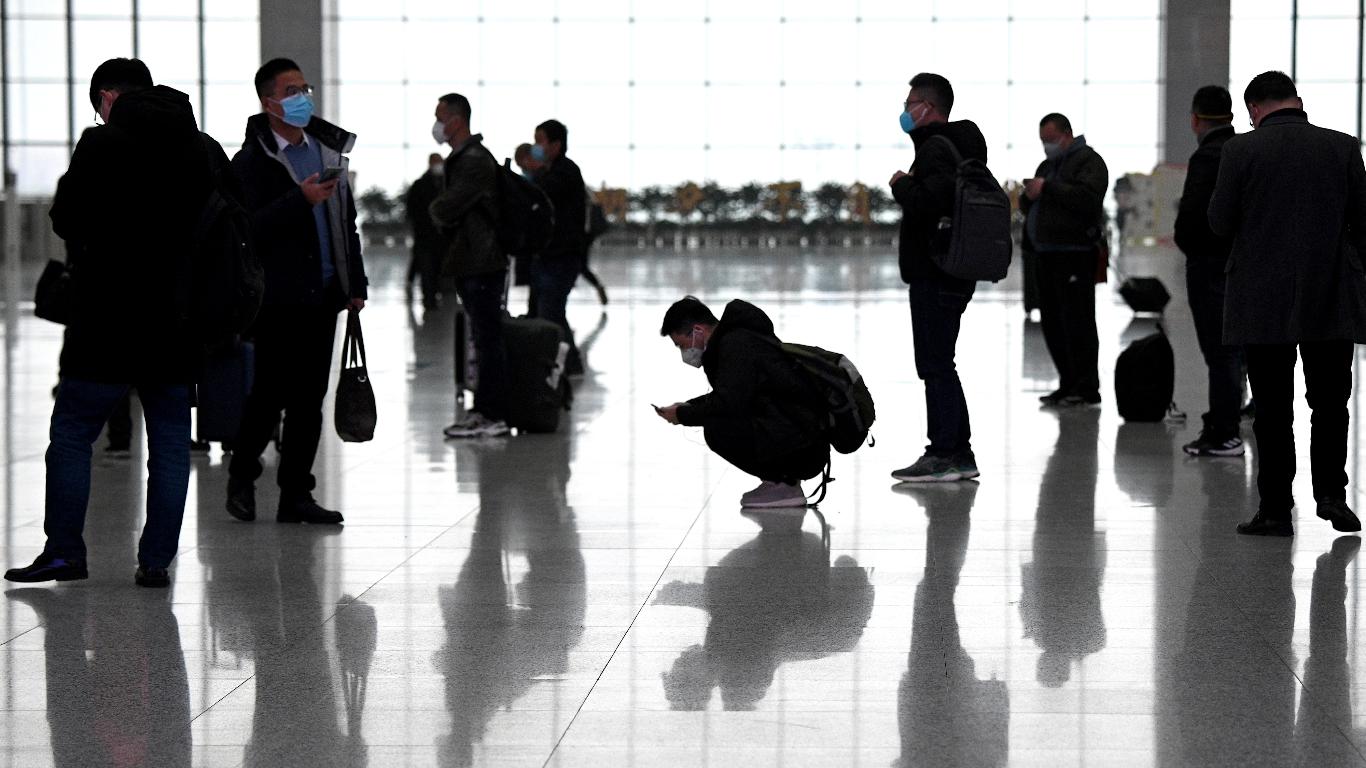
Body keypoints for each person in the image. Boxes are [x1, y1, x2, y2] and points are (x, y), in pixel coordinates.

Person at [4, 58, 228, 587]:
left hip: (104, 316)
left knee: (73, 432)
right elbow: (227, 228)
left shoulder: (100, 145)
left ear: (107, 97)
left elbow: (65, 218)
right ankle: (154, 563)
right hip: (176, 320)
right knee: (171, 440)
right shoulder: (202, 148)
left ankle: (64, 553)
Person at [1209, 70, 1366, 537]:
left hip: (1262, 297)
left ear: (1254, 109)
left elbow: (1219, 222)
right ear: (1297, 101)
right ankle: (1332, 495)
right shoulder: (1343, 147)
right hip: (1331, 292)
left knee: (1273, 409)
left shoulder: (1240, 150)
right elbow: (1363, 222)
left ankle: (1276, 509)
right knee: (1331, 401)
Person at [225, 58, 368, 526]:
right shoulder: (251, 164)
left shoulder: (326, 152)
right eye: (292, 89)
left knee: (310, 398)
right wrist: (297, 200)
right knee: (268, 394)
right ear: (269, 102)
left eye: (305, 87)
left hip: (324, 293)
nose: (303, 96)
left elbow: (345, 222)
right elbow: (248, 230)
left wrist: (355, 283)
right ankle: (242, 478)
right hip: (279, 296)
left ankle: (296, 495)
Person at [888, 72, 985, 483]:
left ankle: (949, 451)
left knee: (936, 362)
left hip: (937, 270)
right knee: (939, 361)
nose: (906, 111)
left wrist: (902, 186)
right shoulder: (962, 148)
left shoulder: (936, 150)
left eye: (912, 103)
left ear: (930, 108)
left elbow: (932, 202)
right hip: (952, 269)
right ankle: (951, 449)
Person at [655, 296, 828, 508]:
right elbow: (733, 394)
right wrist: (688, 406)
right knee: (720, 419)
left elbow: (728, 405)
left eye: (681, 345)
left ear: (698, 331)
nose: (684, 353)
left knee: (717, 430)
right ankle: (780, 480)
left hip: (803, 446)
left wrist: (683, 415)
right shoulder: (736, 339)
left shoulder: (735, 346)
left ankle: (784, 482)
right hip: (803, 437)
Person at [429, 92, 512, 439]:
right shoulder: (467, 157)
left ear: (456, 120)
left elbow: (449, 206)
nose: (436, 125)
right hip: (473, 258)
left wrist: (436, 211)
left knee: (487, 338)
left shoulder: (474, 159)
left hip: (482, 259)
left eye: (439, 117)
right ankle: (484, 411)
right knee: (481, 336)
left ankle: (492, 413)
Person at [1174, 85, 1245, 458]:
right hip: (1242, 263)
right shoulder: (1244, 150)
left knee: (1220, 352)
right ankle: (1234, 416)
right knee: (1238, 347)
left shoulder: (1207, 156)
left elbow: (1194, 216)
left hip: (1210, 265)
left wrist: (1188, 244)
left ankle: (1223, 431)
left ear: (1195, 118)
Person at [1021, 113, 1109, 407]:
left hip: (1075, 254)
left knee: (1078, 321)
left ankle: (1086, 387)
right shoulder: (1048, 165)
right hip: (1045, 254)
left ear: (1067, 133)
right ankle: (1067, 382)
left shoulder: (1089, 162)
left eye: (1051, 140)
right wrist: (1029, 195)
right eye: (1043, 141)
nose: (1047, 146)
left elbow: (1087, 198)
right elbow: (1032, 201)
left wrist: (1047, 188)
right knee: (1053, 322)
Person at [530, 119, 586, 375]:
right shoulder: (552, 171)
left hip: (562, 256)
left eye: (540, 140)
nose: (536, 146)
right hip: (550, 254)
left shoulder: (564, 173)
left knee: (551, 310)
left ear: (556, 144)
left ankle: (569, 362)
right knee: (550, 310)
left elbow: (540, 196)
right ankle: (568, 361)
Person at [404, 152, 446, 310]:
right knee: (426, 267)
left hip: (440, 237)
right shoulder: (420, 185)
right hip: (425, 235)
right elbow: (412, 210)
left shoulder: (446, 183)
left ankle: (434, 295)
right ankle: (429, 298)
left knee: (434, 266)